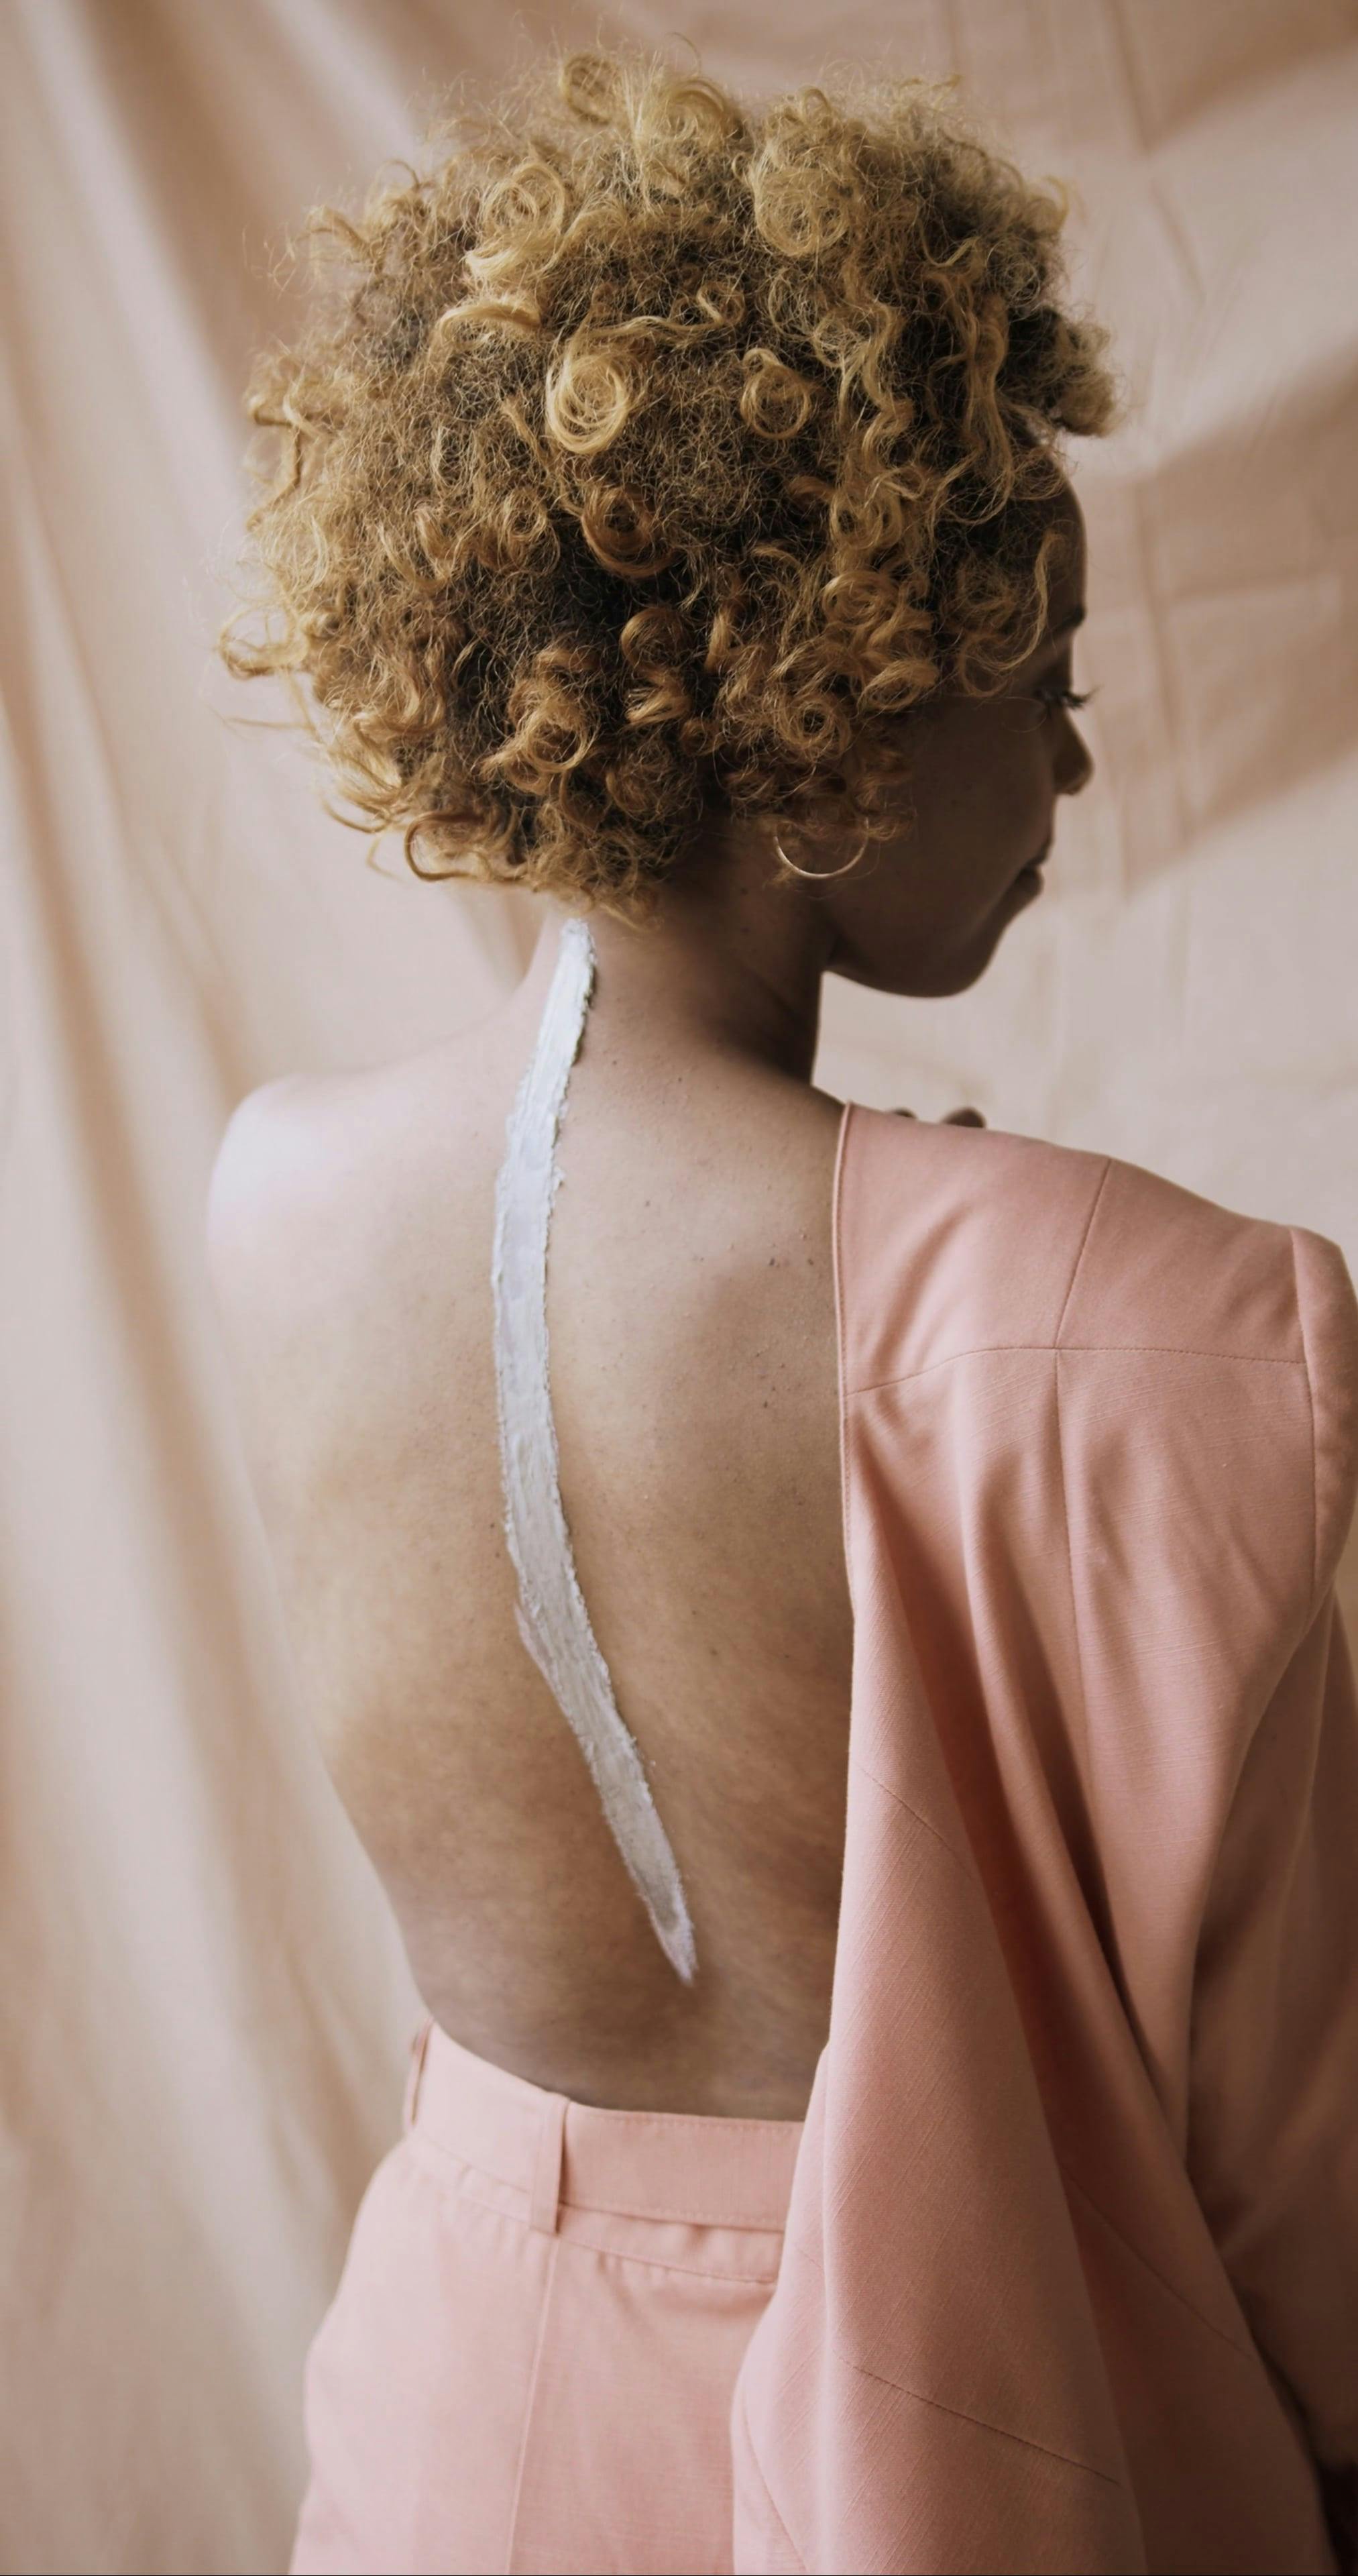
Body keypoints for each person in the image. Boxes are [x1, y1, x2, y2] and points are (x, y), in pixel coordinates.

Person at [208, 49, 1358, 2576]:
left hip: (458, 2440)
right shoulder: (1152, 1325)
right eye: (1036, 667)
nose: (1071, 762)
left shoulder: (271, 1197)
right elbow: (1308, 2170)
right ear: (828, 678)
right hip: (996, 2421)